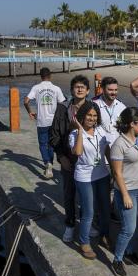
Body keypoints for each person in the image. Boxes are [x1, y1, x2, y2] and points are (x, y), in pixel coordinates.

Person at [50, 75, 92, 243]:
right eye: (77, 87)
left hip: (86, 160)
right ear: (72, 90)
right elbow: (54, 135)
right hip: (68, 158)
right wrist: (61, 157)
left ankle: (86, 224)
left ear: (88, 91)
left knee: (87, 195)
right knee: (69, 193)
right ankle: (70, 224)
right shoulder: (62, 109)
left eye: (83, 87)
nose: (80, 89)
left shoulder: (92, 107)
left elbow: (98, 132)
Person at [69, 103, 111, 259]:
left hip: (102, 175)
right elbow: (78, 152)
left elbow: (107, 151)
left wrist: (113, 171)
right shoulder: (74, 134)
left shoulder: (100, 130)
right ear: (82, 116)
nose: (92, 118)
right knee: (89, 211)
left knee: (106, 209)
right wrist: (80, 130)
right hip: (85, 178)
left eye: (95, 116)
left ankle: (104, 235)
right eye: (89, 115)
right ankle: (84, 242)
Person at [109, 107, 138, 276]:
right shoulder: (119, 144)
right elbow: (117, 173)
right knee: (128, 228)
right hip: (128, 191)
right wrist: (124, 195)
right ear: (132, 124)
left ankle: (129, 251)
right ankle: (117, 259)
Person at [24, 67, 67, 178]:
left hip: (42, 121)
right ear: (50, 76)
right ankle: (50, 163)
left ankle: (47, 163)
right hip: (54, 122)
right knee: (51, 144)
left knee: (43, 144)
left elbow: (26, 101)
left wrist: (30, 112)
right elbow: (63, 103)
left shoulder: (36, 88)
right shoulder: (56, 88)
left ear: (41, 76)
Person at [93, 76, 127, 143]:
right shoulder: (93, 105)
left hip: (117, 147)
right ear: (102, 89)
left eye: (116, 90)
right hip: (99, 147)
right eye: (110, 90)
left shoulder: (122, 107)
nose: (114, 92)